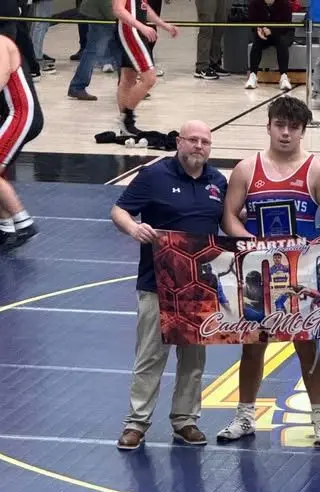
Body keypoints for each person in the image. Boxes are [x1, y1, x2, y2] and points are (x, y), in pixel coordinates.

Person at [219, 96, 320, 446]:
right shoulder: (246, 169)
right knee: (252, 346)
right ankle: (245, 417)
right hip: (257, 273)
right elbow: (229, 217)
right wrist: (253, 243)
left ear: (303, 131)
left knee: (308, 346)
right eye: (280, 125)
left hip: (301, 276)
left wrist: (315, 253)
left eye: (293, 127)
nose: (286, 133)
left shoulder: (318, 172)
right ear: (269, 127)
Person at [111, 120, 227, 449]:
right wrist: (134, 229)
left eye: (205, 142)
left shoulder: (218, 182)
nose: (199, 146)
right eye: (193, 140)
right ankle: (136, 423)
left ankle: (185, 420)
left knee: (193, 358)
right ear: (178, 142)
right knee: (151, 355)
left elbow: (229, 222)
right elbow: (119, 210)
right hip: (157, 282)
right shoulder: (154, 175)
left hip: (199, 286)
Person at [0, 34, 43, 251]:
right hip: (10, 115)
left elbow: (1, 78)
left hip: (20, 115)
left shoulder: (0, 43)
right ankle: (6, 226)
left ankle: (23, 222)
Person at [112, 0, 178, 135]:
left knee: (128, 78)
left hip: (133, 30)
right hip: (130, 31)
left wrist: (163, 25)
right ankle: (126, 119)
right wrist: (141, 26)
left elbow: (143, 7)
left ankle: (125, 127)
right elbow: (118, 9)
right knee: (149, 78)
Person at [68, 0, 120, 101]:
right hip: (101, 14)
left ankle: (127, 85)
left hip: (105, 12)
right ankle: (77, 86)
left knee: (119, 51)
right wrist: (121, 17)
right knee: (92, 52)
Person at [245, 0, 293, 91]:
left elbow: (286, 25)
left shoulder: (285, 4)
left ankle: (284, 77)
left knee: (282, 42)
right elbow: (252, 21)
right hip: (263, 33)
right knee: (257, 43)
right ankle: (253, 75)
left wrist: (272, 30)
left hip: (281, 33)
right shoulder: (254, 4)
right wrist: (259, 29)